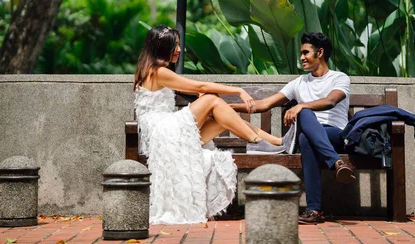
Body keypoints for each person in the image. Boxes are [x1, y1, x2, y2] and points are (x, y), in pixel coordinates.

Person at [133, 25, 283, 225]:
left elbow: (193, 91)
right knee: (212, 100)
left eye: (178, 45)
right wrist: (238, 90)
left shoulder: (150, 70)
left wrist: (200, 96)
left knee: (222, 117)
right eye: (174, 46)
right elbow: (200, 86)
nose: (179, 50)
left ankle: (274, 142)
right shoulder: (158, 71)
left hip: (165, 132)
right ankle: (261, 141)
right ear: (162, 47)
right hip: (163, 131)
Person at [233, 32, 354, 224]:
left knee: (304, 117)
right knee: (305, 136)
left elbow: (331, 101)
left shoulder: (339, 78)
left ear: (320, 52)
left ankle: (316, 207)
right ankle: (333, 170)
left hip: (336, 134)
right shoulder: (299, 83)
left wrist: (301, 106)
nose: (301, 57)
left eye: (306, 52)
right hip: (310, 137)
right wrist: (227, 108)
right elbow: (264, 104)